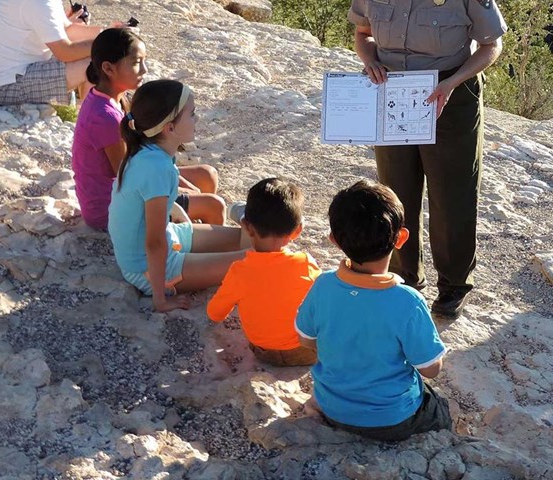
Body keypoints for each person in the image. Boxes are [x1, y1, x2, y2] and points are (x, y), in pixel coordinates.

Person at [347, 0, 507, 318]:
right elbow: (362, 33)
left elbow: (491, 43)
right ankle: (405, 277)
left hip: (448, 95)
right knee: (395, 191)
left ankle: (453, 284)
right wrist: (370, 62)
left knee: (451, 194)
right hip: (394, 92)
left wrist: (454, 80)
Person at [296, 179, 451, 442]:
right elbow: (430, 369)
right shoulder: (408, 301)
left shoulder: (322, 285)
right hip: (392, 418)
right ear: (401, 238)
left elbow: (306, 340)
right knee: (438, 408)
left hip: (332, 407)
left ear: (334, 240)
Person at [108, 79, 249, 313]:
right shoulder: (156, 168)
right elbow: (154, 242)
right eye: (191, 114)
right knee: (253, 260)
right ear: (169, 128)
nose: (197, 119)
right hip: (147, 268)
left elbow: (154, 209)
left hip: (168, 238)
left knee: (248, 239)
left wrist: (182, 217)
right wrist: (161, 299)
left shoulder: (148, 150)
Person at [72, 28, 226, 230]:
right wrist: (181, 190)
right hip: (110, 209)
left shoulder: (114, 99)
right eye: (136, 63)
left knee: (207, 175)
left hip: (127, 186)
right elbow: (129, 179)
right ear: (109, 68)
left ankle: (190, 233)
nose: (144, 69)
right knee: (213, 206)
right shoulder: (105, 118)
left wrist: (182, 187)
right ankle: (198, 251)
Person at [207, 177, 320, 366]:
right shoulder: (305, 263)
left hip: (263, 351)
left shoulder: (239, 271)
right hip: (306, 352)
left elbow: (215, 313)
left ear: (247, 228)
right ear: (297, 231)